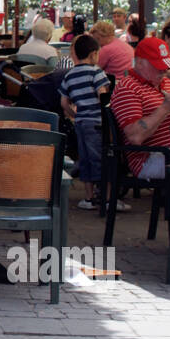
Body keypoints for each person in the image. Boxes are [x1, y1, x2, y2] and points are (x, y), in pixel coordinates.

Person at [110, 36, 170, 181]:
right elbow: (135, 136)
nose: (163, 71)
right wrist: (166, 107)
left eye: (165, 66)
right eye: (157, 66)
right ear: (140, 63)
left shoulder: (165, 82)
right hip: (153, 157)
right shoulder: (128, 88)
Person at [60, 34, 110, 210]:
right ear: (93, 54)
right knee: (101, 158)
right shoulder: (96, 72)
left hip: (80, 122)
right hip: (96, 122)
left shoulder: (69, 75)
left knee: (85, 159)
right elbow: (102, 94)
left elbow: (64, 102)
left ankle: (88, 198)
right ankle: (106, 196)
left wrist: (74, 115)